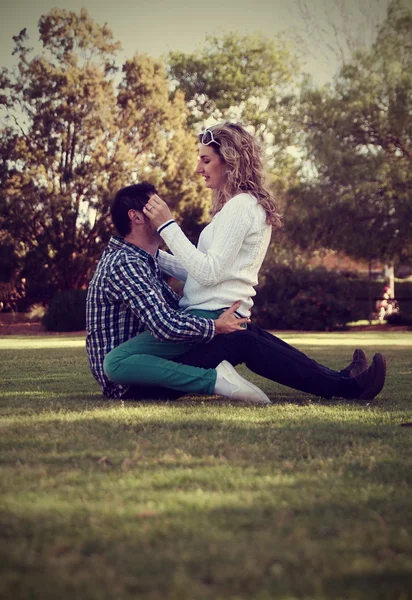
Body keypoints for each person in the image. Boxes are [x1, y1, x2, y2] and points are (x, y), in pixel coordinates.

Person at [100, 135, 386, 401]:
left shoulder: (241, 206)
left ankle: (343, 383)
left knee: (249, 338)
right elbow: (202, 271)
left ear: (230, 161)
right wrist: (151, 255)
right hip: (205, 313)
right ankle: (344, 382)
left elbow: (208, 272)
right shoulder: (232, 208)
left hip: (210, 311)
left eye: (206, 159)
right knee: (249, 338)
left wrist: (167, 226)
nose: (199, 168)